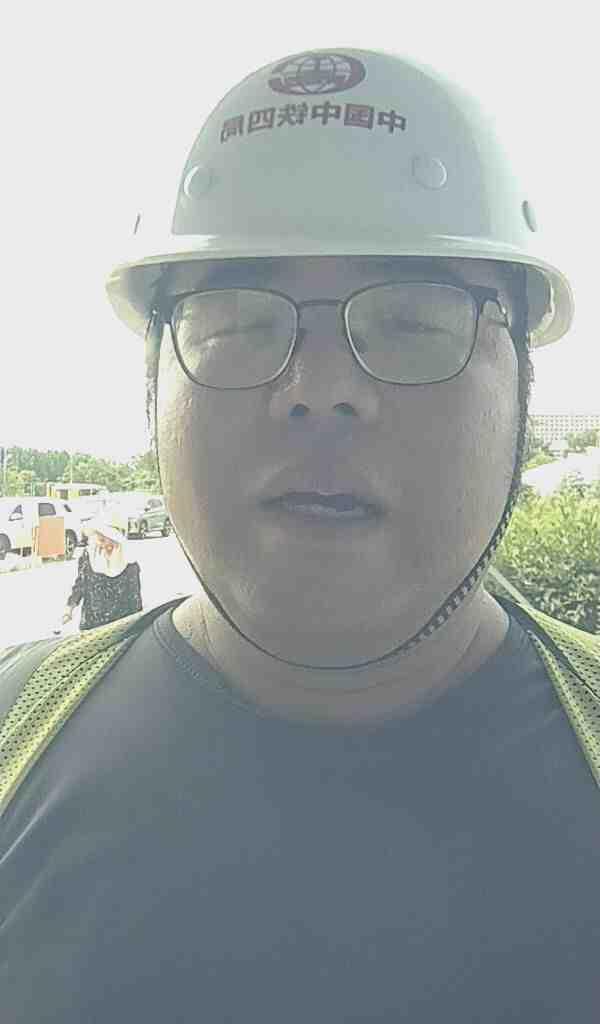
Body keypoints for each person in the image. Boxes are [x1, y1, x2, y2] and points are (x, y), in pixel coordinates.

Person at [1, 48, 599, 1023]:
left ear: (525, 385)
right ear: (154, 385)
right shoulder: (13, 734)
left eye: (414, 320)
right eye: (236, 320)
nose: (320, 388)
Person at [60, 508, 142, 630]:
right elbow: (80, 585)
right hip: (91, 625)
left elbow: (135, 602)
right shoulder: (88, 556)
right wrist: (69, 609)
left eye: (108, 540)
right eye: (100, 539)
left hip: (121, 627)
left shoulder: (130, 564)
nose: (103, 545)